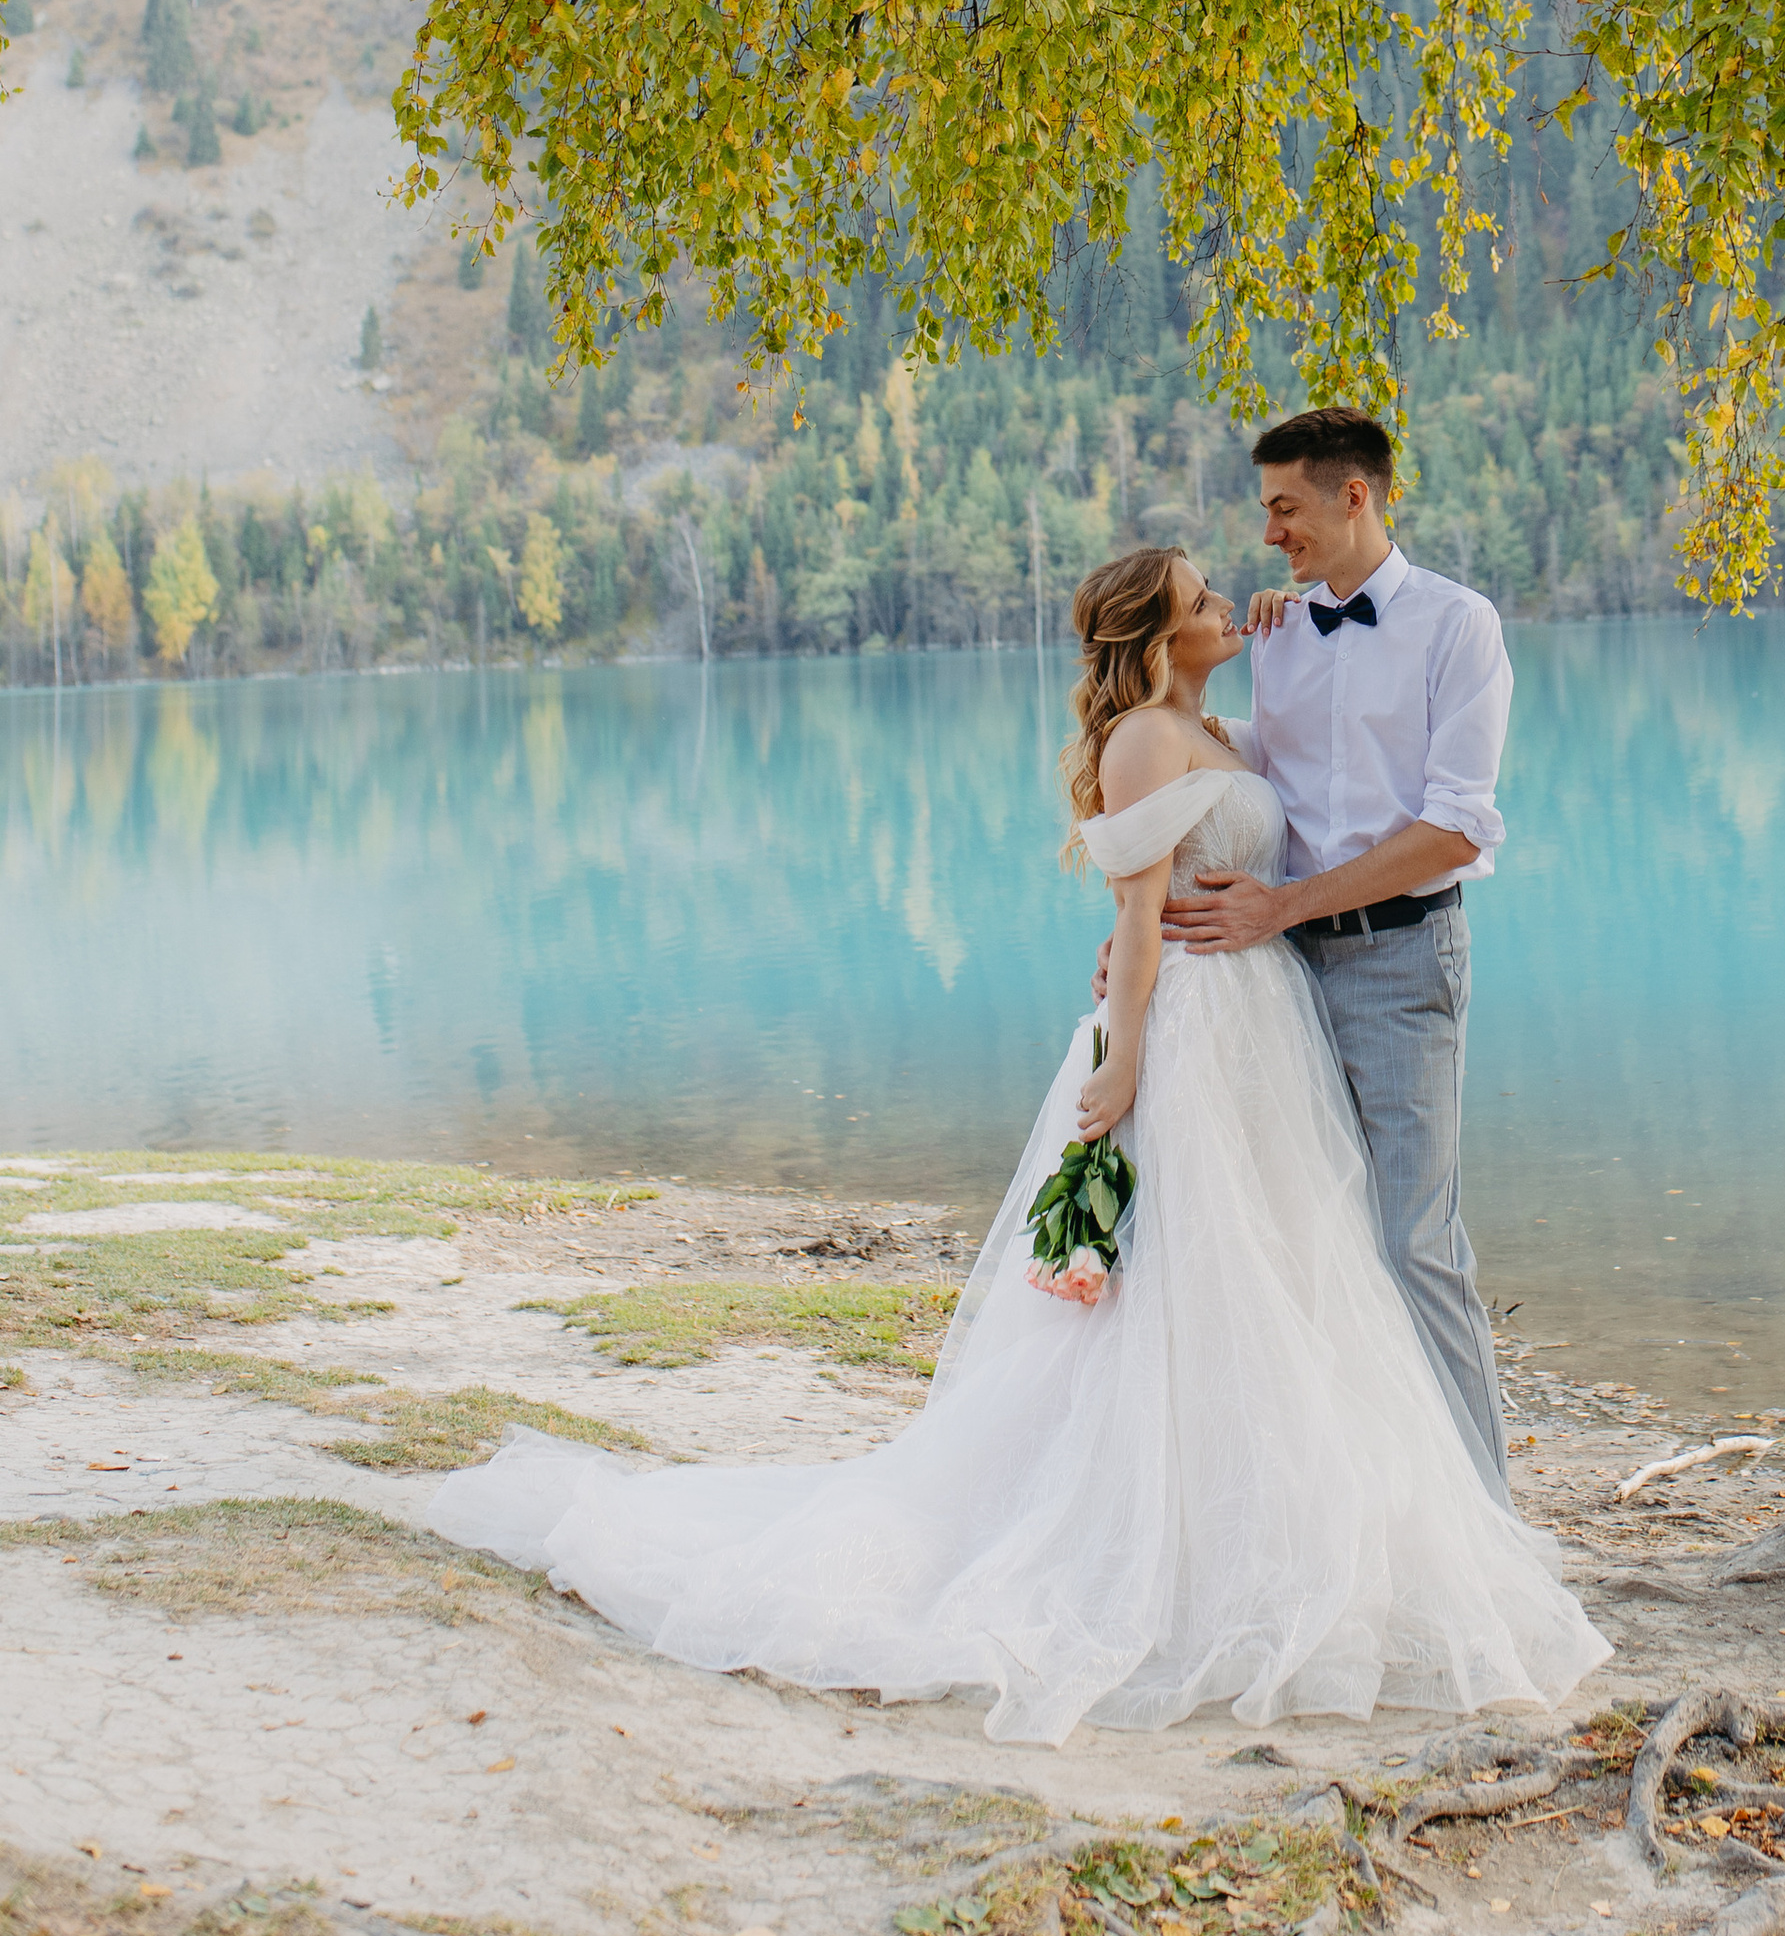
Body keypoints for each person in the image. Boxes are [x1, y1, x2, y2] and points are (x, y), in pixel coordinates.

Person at [421, 546, 1607, 1746]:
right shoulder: (1147, 736)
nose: (1223, 599)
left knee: (1281, 1273)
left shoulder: (1217, 730)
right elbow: (1138, 919)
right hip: (1191, 1036)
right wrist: (1126, 1056)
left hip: (1263, 1025)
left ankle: (1322, 1526)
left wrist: (1273, 647)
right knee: (1189, 1283)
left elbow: (1293, 801)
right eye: (1199, 597)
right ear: (1156, 635)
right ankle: (1165, 1543)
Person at [1162, 406, 1516, 1500]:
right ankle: (1356, 1516)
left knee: (1414, 1246)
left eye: (1285, 507)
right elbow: (1246, 785)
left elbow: (1457, 827)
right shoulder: (1275, 632)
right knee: (1299, 1244)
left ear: (1352, 495)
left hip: (1402, 965)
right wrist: (1145, 936)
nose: (1269, 532)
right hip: (1274, 984)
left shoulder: (1459, 627)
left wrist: (1284, 907)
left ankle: (1484, 1527)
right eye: (1266, 510)